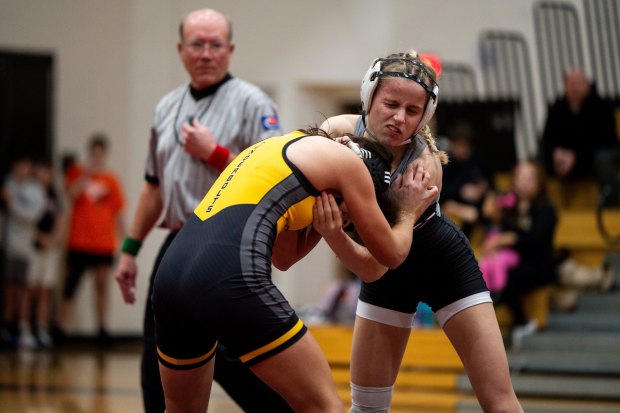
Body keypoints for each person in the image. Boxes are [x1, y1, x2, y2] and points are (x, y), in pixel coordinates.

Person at [120, 128, 437, 413]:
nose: (348, 220)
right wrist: (408, 211)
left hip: (171, 272)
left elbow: (283, 257)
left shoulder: (282, 148)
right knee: (325, 406)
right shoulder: (349, 163)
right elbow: (392, 256)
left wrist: (328, 230)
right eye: (353, 210)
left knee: (182, 410)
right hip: (229, 275)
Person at [317, 50, 524, 412]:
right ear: (369, 97)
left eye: (412, 112)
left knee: (499, 401)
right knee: (366, 408)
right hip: (386, 267)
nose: (399, 118)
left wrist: (334, 234)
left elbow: (380, 261)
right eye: (391, 104)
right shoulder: (336, 131)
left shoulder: (425, 165)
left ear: (425, 117)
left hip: (439, 261)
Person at [113, 8, 287, 413]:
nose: (206, 53)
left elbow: (278, 178)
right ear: (181, 49)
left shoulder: (252, 102)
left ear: (230, 50)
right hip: (177, 242)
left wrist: (216, 154)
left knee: (234, 354)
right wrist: (129, 250)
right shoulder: (166, 107)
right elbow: (154, 188)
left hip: (232, 244)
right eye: (197, 44)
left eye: (215, 45)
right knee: (157, 350)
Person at [55, 133, 126, 343]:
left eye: (100, 153)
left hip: (104, 242)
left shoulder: (112, 180)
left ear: (104, 154)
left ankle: (102, 328)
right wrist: (86, 174)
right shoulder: (77, 173)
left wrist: (127, 242)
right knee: (70, 285)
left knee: (102, 285)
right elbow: (70, 196)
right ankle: (60, 327)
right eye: (93, 153)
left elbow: (118, 212)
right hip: (79, 241)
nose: (96, 157)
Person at [482, 160, 557, 349]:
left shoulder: (547, 210)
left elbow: (534, 239)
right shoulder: (509, 206)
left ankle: (521, 323)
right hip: (510, 260)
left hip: (537, 265)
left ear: (539, 182)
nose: (524, 182)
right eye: (520, 177)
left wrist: (510, 238)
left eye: (529, 178)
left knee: (510, 279)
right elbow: (494, 226)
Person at [540, 66, 618, 207]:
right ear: (565, 85)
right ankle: (541, 211)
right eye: (570, 83)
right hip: (567, 161)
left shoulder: (602, 106)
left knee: (603, 158)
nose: (574, 87)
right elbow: (547, 139)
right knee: (538, 161)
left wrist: (576, 156)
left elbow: (604, 140)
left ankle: (612, 208)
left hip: (595, 156)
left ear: (588, 85)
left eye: (578, 82)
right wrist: (556, 152)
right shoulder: (556, 108)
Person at [19, 160, 65, 349]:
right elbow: (25, 221)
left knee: (46, 289)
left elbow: (60, 219)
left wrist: (53, 239)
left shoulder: (54, 196)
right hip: (32, 247)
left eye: (48, 172)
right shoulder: (28, 193)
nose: (45, 176)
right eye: (41, 172)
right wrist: (38, 236)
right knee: (29, 289)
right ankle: (24, 328)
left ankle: (41, 327)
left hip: (50, 248)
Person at [1, 156, 46, 348]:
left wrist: (12, 203)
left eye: (28, 166)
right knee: (9, 289)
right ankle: (7, 327)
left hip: (27, 248)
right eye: (21, 166)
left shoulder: (35, 190)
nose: (24, 169)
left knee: (24, 290)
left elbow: (32, 215)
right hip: (9, 245)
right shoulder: (8, 184)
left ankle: (23, 328)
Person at [440, 119, 495, 238]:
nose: (461, 150)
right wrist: (461, 191)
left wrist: (486, 191)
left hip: (479, 207)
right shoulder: (446, 162)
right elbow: (442, 192)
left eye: (464, 146)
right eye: (457, 146)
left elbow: (490, 182)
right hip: (456, 206)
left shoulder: (477, 158)